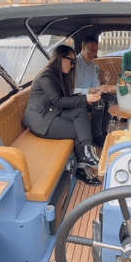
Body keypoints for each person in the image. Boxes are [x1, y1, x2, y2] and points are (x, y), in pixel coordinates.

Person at [23, 45, 101, 186]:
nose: (72, 66)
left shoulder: (59, 74)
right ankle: (82, 170)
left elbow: (62, 99)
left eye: (74, 63)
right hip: (41, 120)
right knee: (77, 130)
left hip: (53, 112)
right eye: (71, 61)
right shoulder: (47, 75)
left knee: (81, 111)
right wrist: (85, 98)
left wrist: (81, 98)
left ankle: (88, 152)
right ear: (60, 58)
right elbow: (58, 101)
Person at [74, 36, 117, 147]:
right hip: (78, 98)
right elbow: (71, 89)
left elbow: (95, 84)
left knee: (112, 99)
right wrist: (93, 91)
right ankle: (96, 136)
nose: (94, 53)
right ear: (83, 47)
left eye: (96, 50)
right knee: (100, 102)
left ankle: (103, 131)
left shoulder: (92, 65)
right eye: (91, 50)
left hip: (92, 95)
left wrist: (100, 89)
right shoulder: (74, 63)